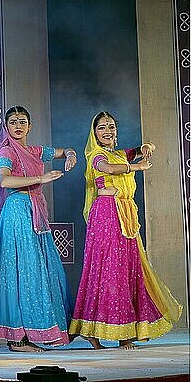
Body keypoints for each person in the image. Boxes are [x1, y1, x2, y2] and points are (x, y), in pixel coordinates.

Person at [69, 111, 182, 350]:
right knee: (109, 270)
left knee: (128, 268)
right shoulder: (95, 155)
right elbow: (108, 169)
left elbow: (140, 149)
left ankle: (126, 332)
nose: (107, 131)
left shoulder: (120, 154)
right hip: (107, 215)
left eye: (111, 126)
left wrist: (147, 146)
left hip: (126, 216)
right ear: (95, 133)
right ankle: (93, 331)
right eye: (102, 128)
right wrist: (136, 167)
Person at [0, 105, 76, 352]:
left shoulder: (34, 150)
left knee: (39, 270)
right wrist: (40, 179)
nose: (18, 126)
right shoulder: (7, 151)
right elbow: (4, 180)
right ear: (6, 127)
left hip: (35, 212)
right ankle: (17, 339)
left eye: (22, 121)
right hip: (18, 211)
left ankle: (38, 331)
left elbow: (62, 151)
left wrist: (71, 154)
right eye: (13, 122)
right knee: (21, 271)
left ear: (30, 126)